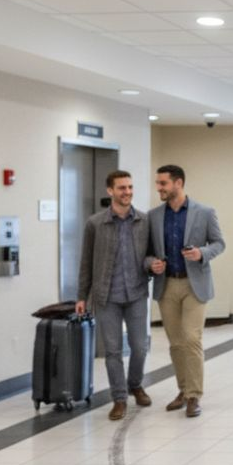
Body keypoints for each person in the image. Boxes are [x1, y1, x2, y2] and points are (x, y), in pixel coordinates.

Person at [146, 164, 225, 418]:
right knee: (176, 344)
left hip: (195, 284)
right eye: (158, 183)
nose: (158, 188)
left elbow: (219, 243)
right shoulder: (154, 216)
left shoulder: (204, 212)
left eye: (163, 184)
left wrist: (202, 253)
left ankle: (194, 396)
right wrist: (151, 264)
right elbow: (147, 252)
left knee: (191, 339)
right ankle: (182, 390)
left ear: (178, 183)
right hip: (166, 284)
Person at [76, 170, 152, 421]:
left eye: (130, 187)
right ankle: (119, 398)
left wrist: (153, 264)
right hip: (106, 296)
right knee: (112, 351)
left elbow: (150, 254)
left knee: (140, 347)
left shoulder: (143, 220)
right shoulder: (95, 223)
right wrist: (81, 296)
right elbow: (86, 262)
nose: (127, 192)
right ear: (110, 191)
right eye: (122, 188)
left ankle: (135, 384)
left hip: (137, 293)